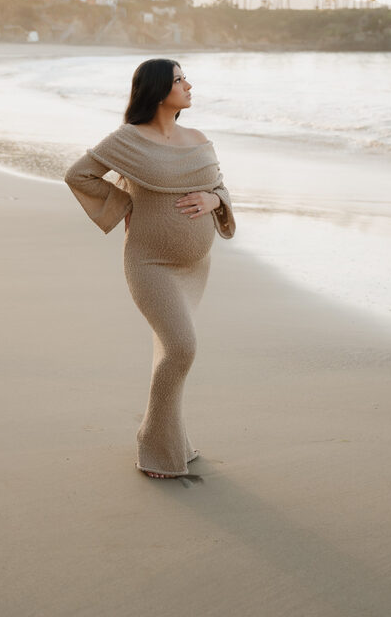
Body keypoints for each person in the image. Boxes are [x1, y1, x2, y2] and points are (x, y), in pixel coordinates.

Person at [64, 58, 236, 479]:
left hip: (194, 266)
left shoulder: (197, 138)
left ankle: (173, 440)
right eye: (180, 80)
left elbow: (220, 185)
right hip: (150, 263)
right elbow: (79, 174)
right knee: (181, 348)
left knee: (169, 350)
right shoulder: (129, 139)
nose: (189, 85)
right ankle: (153, 443)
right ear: (159, 90)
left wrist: (215, 201)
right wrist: (123, 203)